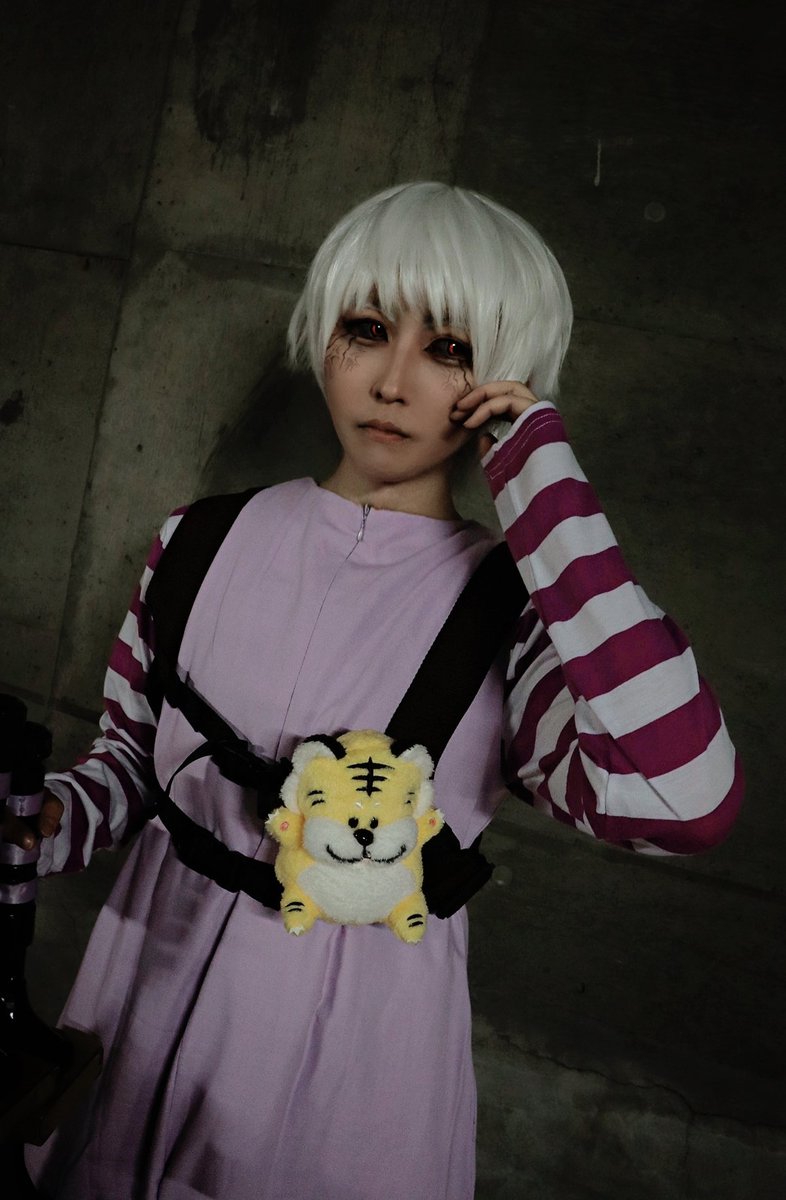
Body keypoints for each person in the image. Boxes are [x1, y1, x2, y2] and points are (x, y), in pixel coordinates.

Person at [10, 182, 741, 1199]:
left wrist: (543, 486)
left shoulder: (517, 615)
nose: (393, 382)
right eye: (365, 329)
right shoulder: (197, 541)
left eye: (449, 350)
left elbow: (684, 797)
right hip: (140, 983)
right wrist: (45, 821)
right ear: (324, 339)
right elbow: (133, 765)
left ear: (505, 382)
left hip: (345, 1052)